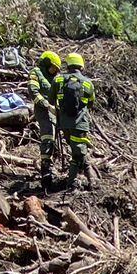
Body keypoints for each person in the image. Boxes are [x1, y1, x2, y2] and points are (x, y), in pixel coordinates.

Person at [54, 52, 94, 188]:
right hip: (80, 124)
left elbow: (51, 100)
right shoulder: (88, 83)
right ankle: (75, 183)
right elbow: (91, 104)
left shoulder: (58, 80)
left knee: (76, 152)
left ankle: (87, 179)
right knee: (78, 153)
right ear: (81, 66)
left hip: (64, 124)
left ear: (67, 65)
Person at [32, 50, 61, 182]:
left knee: (54, 138)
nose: (54, 70)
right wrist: (46, 105)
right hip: (43, 111)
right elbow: (33, 92)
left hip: (55, 112)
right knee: (48, 136)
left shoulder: (54, 78)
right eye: (53, 67)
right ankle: (46, 169)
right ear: (46, 63)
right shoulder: (36, 72)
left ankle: (54, 164)